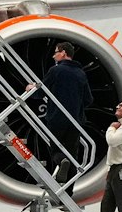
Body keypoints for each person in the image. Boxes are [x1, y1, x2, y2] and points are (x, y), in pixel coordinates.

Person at [36, 40, 93, 183]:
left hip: (56, 119)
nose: (53, 56)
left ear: (63, 53)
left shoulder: (55, 71)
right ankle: (69, 194)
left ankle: (62, 162)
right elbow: (88, 99)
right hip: (75, 122)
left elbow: (41, 92)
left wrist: (32, 89)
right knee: (73, 156)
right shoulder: (81, 73)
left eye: (55, 52)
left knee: (56, 151)